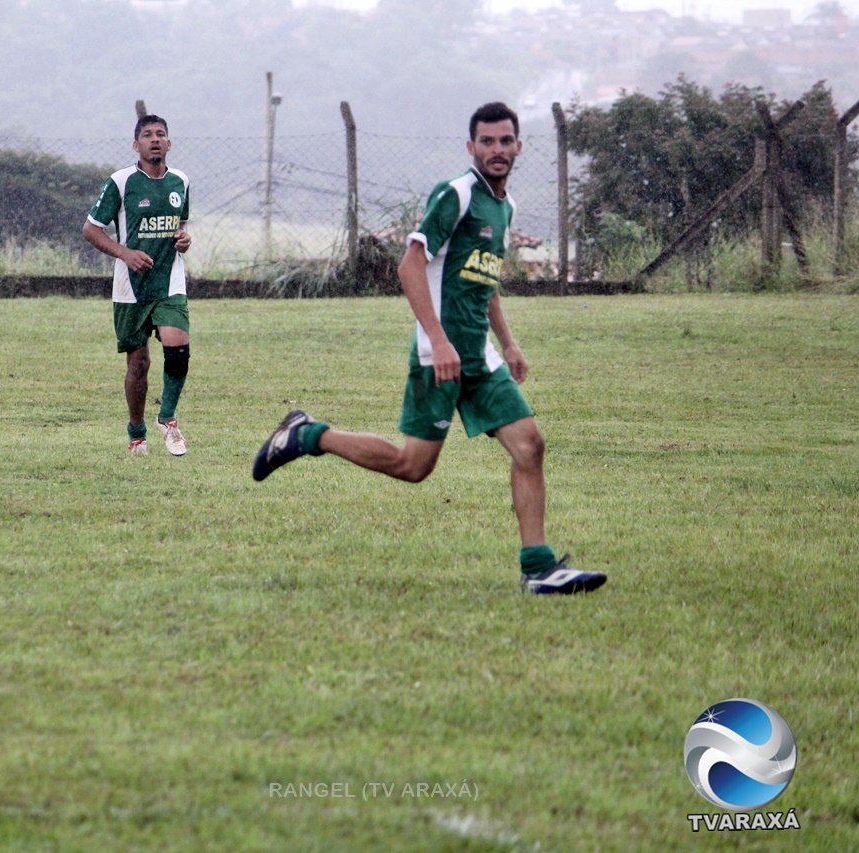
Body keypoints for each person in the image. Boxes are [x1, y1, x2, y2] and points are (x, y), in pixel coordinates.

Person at [252, 102, 605, 595]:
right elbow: (409, 266)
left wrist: (508, 341)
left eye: (506, 141)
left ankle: (538, 569)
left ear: (519, 146)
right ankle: (308, 435)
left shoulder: (506, 207)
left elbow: (486, 278)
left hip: (478, 357)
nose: (497, 150)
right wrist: (438, 341)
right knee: (412, 466)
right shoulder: (456, 194)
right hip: (436, 356)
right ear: (471, 147)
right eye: (487, 141)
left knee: (530, 445)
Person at [82, 114, 192, 456]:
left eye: (161, 134)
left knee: (178, 348)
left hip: (169, 281)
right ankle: (137, 433)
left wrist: (184, 239)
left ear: (169, 143)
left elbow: (181, 225)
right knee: (138, 363)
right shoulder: (120, 182)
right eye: (147, 135)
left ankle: (168, 420)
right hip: (130, 288)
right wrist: (125, 253)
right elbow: (91, 229)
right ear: (136, 145)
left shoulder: (181, 182)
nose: (155, 139)